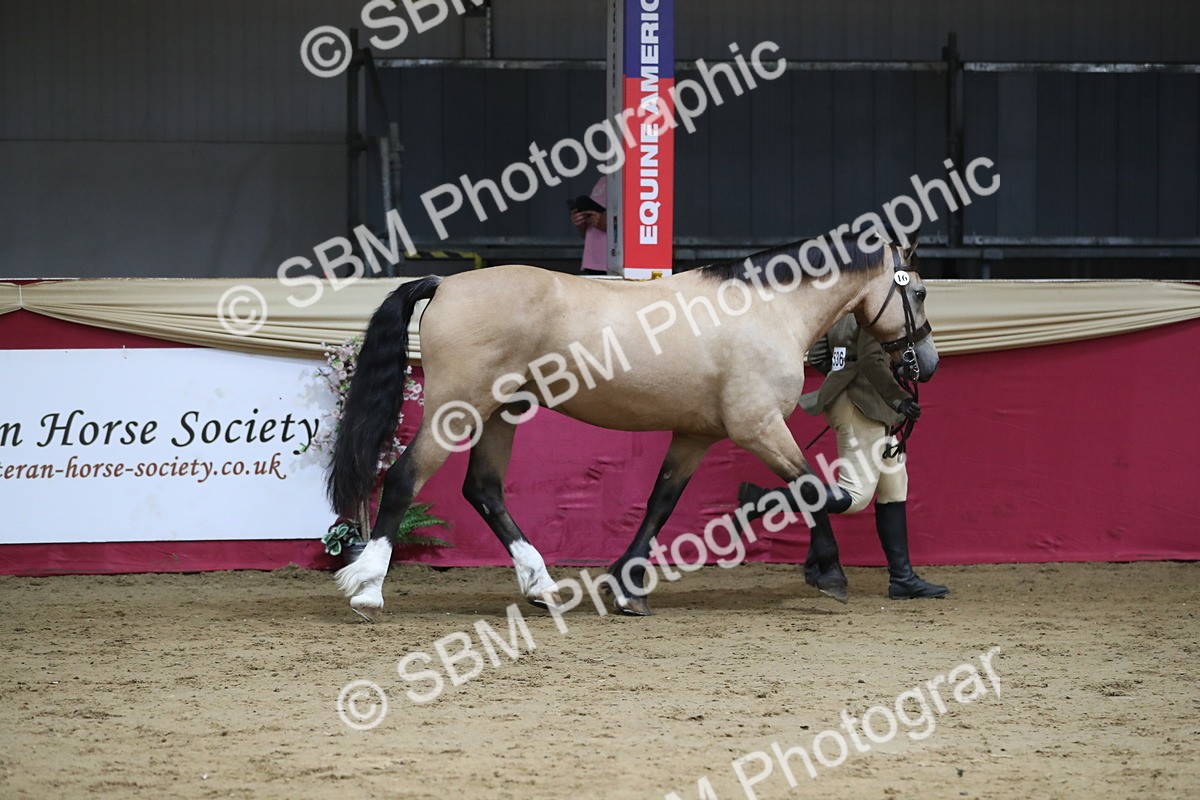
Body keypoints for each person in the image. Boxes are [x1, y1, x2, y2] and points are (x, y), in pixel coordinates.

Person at [738, 314, 949, 599]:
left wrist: (842, 377)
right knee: (855, 495)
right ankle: (763, 501)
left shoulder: (843, 308)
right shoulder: (874, 312)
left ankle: (902, 578)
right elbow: (871, 361)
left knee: (893, 486)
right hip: (864, 405)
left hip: (857, 401)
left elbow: (819, 356)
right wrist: (898, 399)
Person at [570, 175, 608, 276]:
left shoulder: (632, 181)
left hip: (612, 261)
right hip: (592, 259)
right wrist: (581, 222)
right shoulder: (603, 180)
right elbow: (585, 234)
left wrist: (606, 223)